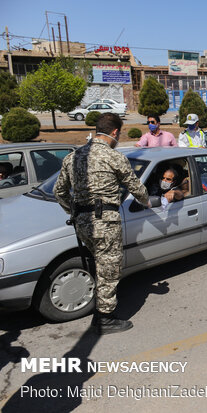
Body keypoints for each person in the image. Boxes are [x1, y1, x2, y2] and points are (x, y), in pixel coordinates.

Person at [54, 113, 151, 335]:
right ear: (115, 132)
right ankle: (105, 318)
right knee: (110, 268)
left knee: (98, 265)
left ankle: (100, 307)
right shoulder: (114, 157)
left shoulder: (73, 157)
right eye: (120, 134)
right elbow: (138, 190)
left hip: (82, 224)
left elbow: (58, 192)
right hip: (105, 223)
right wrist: (147, 201)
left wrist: (74, 211)